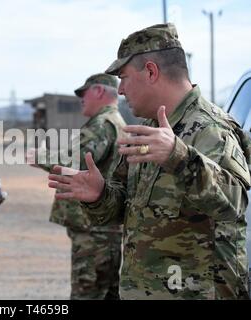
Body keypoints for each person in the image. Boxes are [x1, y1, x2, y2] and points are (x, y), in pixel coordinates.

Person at [48, 23, 251, 299]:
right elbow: (128, 208)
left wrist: (178, 156)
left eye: (124, 77)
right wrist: (99, 195)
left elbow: (235, 203)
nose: (120, 90)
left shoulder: (210, 128)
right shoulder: (149, 128)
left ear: (151, 72)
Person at [27, 73, 126, 299]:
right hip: (102, 225)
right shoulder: (115, 121)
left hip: (93, 229)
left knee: (88, 292)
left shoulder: (102, 124)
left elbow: (78, 162)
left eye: (84, 92)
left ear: (99, 92)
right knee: (107, 291)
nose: (81, 98)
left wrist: (41, 156)